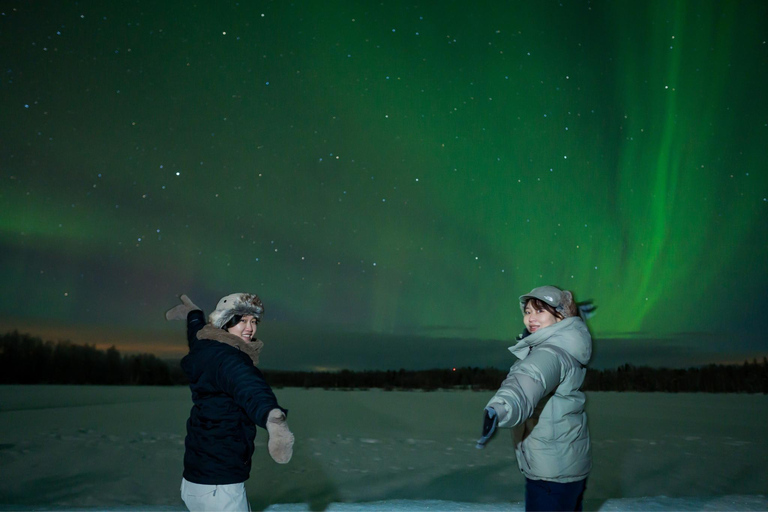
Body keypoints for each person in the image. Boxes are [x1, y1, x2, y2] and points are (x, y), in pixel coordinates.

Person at [166, 293, 294, 512]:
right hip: (219, 484)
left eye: (254, 321)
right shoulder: (229, 359)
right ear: (225, 322)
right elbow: (249, 387)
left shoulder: (208, 346)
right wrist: (273, 419)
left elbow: (195, 334)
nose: (250, 328)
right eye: (241, 320)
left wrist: (193, 314)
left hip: (200, 476)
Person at [477, 285, 592, 511]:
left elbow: (527, 381)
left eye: (540, 312)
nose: (531, 318)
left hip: (550, 473)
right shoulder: (568, 345)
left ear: (560, 317)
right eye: (528, 311)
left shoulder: (550, 353)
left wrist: (501, 407)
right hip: (571, 465)